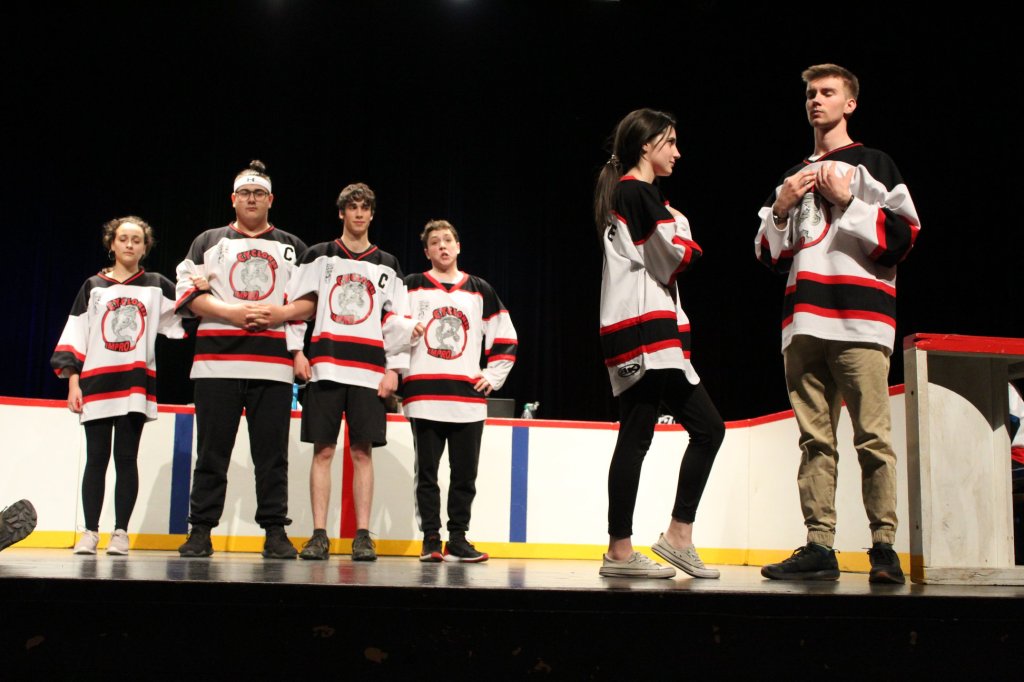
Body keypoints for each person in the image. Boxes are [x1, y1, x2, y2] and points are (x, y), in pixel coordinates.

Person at [755, 64, 921, 583]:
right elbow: (768, 254)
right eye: (811, 93)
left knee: (872, 439)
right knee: (815, 441)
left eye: (828, 92)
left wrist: (847, 200)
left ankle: (884, 548)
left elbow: (903, 237)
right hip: (804, 321)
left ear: (850, 104)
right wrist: (781, 207)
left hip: (860, 320)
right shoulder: (792, 176)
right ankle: (819, 544)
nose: (816, 100)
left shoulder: (874, 165)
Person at [593, 108, 725, 579]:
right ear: (647, 145)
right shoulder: (636, 191)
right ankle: (622, 551)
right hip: (643, 331)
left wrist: (676, 223)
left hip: (651, 331)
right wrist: (682, 230)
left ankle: (675, 537)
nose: (677, 152)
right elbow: (674, 257)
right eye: (670, 142)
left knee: (703, 429)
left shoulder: (633, 194)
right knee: (641, 435)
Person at [276, 183, 418, 561]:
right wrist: (296, 352)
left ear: (372, 214)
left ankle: (363, 536)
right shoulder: (318, 255)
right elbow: (295, 304)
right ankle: (318, 534)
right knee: (323, 451)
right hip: (325, 367)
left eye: (364, 208)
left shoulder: (387, 263)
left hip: (370, 372)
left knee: (362, 453)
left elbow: (398, 320)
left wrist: (395, 369)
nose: (358, 213)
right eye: (352, 207)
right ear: (341, 213)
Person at [174, 160, 308, 559]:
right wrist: (229, 312)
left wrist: (284, 318)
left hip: (273, 367)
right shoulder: (208, 241)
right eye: (245, 193)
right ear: (233, 199)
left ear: (271, 200)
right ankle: (200, 531)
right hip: (216, 363)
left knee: (272, 457)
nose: (252, 199)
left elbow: (312, 300)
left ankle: (275, 532)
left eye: (259, 193)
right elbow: (186, 293)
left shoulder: (293, 247)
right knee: (211, 454)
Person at [51, 216, 188, 555]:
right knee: (96, 458)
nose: (129, 244)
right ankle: (90, 532)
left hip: (134, 385)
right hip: (96, 383)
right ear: (111, 244)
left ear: (145, 247)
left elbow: (189, 311)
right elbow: (76, 334)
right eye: (123, 238)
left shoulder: (156, 286)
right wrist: (73, 383)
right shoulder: (94, 286)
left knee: (126, 458)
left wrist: (199, 285)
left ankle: (121, 533)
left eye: (136, 240)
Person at [402, 219, 517, 563]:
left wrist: (493, 375)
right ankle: (430, 539)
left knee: (465, 474)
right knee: (427, 474)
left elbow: (505, 335)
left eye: (448, 240)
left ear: (458, 247)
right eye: (435, 242)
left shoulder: (479, 290)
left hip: (467, 399)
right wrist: (406, 331)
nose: (442, 246)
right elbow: (389, 328)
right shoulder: (411, 286)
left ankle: (458, 538)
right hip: (424, 397)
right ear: (427, 251)